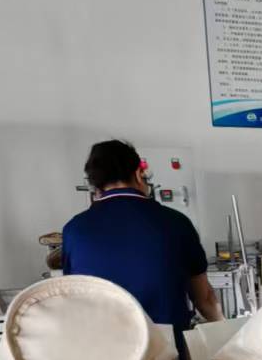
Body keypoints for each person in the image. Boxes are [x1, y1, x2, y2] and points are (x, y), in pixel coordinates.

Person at [59, 140, 222, 343]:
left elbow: (74, 295)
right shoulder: (176, 222)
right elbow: (204, 299)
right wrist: (228, 338)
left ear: (95, 183)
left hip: (101, 350)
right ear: (138, 173)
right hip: (166, 349)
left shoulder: (74, 229)